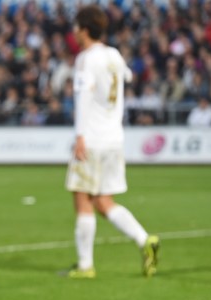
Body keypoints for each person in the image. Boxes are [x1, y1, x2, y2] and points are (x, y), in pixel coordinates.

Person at [66, 5, 159, 279]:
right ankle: (145, 241)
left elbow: (83, 98)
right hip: (114, 140)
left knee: (82, 199)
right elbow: (128, 75)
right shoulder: (114, 55)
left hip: (92, 138)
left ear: (84, 30)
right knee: (103, 201)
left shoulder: (85, 59)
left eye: (76, 27)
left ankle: (85, 265)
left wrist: (80, 136)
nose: (74, 32)